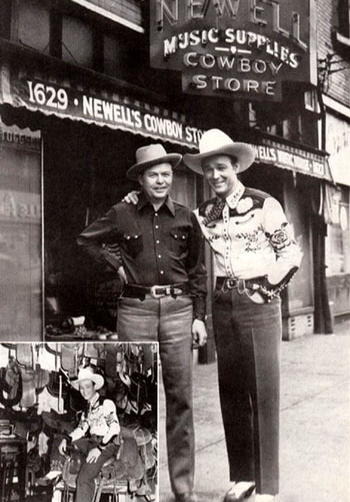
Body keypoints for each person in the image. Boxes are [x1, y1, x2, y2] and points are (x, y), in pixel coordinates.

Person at [77, 143, 207, 502]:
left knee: (180, 399)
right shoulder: (122, 212)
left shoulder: (186, 217)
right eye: (154, 174)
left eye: (166, 173)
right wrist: (117, 266)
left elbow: (198, 271)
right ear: (142, 179)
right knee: (130, 396)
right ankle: (134, 485)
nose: (161, 180)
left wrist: (199, 317)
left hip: (179, 311)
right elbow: (86, 240)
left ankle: (184, 490)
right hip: (135, 310)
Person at [182, 128, 303, 502]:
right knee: (231, 391)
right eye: (208, 171)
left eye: (221, 168)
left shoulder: (264, 203)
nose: (215, 176)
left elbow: (291, 255)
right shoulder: (203, 214)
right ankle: (242, 477)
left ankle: (267, 485)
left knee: (262, 391)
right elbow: (195, 259)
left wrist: (266, 289)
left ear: (235, 166)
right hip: (223, 301)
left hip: (259, 301)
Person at [58, 367, 120, 502]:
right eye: (81, 388)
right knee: (62, 446)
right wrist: (66, 439)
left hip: (106, 444)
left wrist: (99, 449)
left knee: (84, 479)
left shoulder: (106, 404)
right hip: (91, 441)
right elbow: (81, 429)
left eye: (87, 387)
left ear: (94, 386)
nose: (84, 391)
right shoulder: (87, 409)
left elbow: (115, 428)